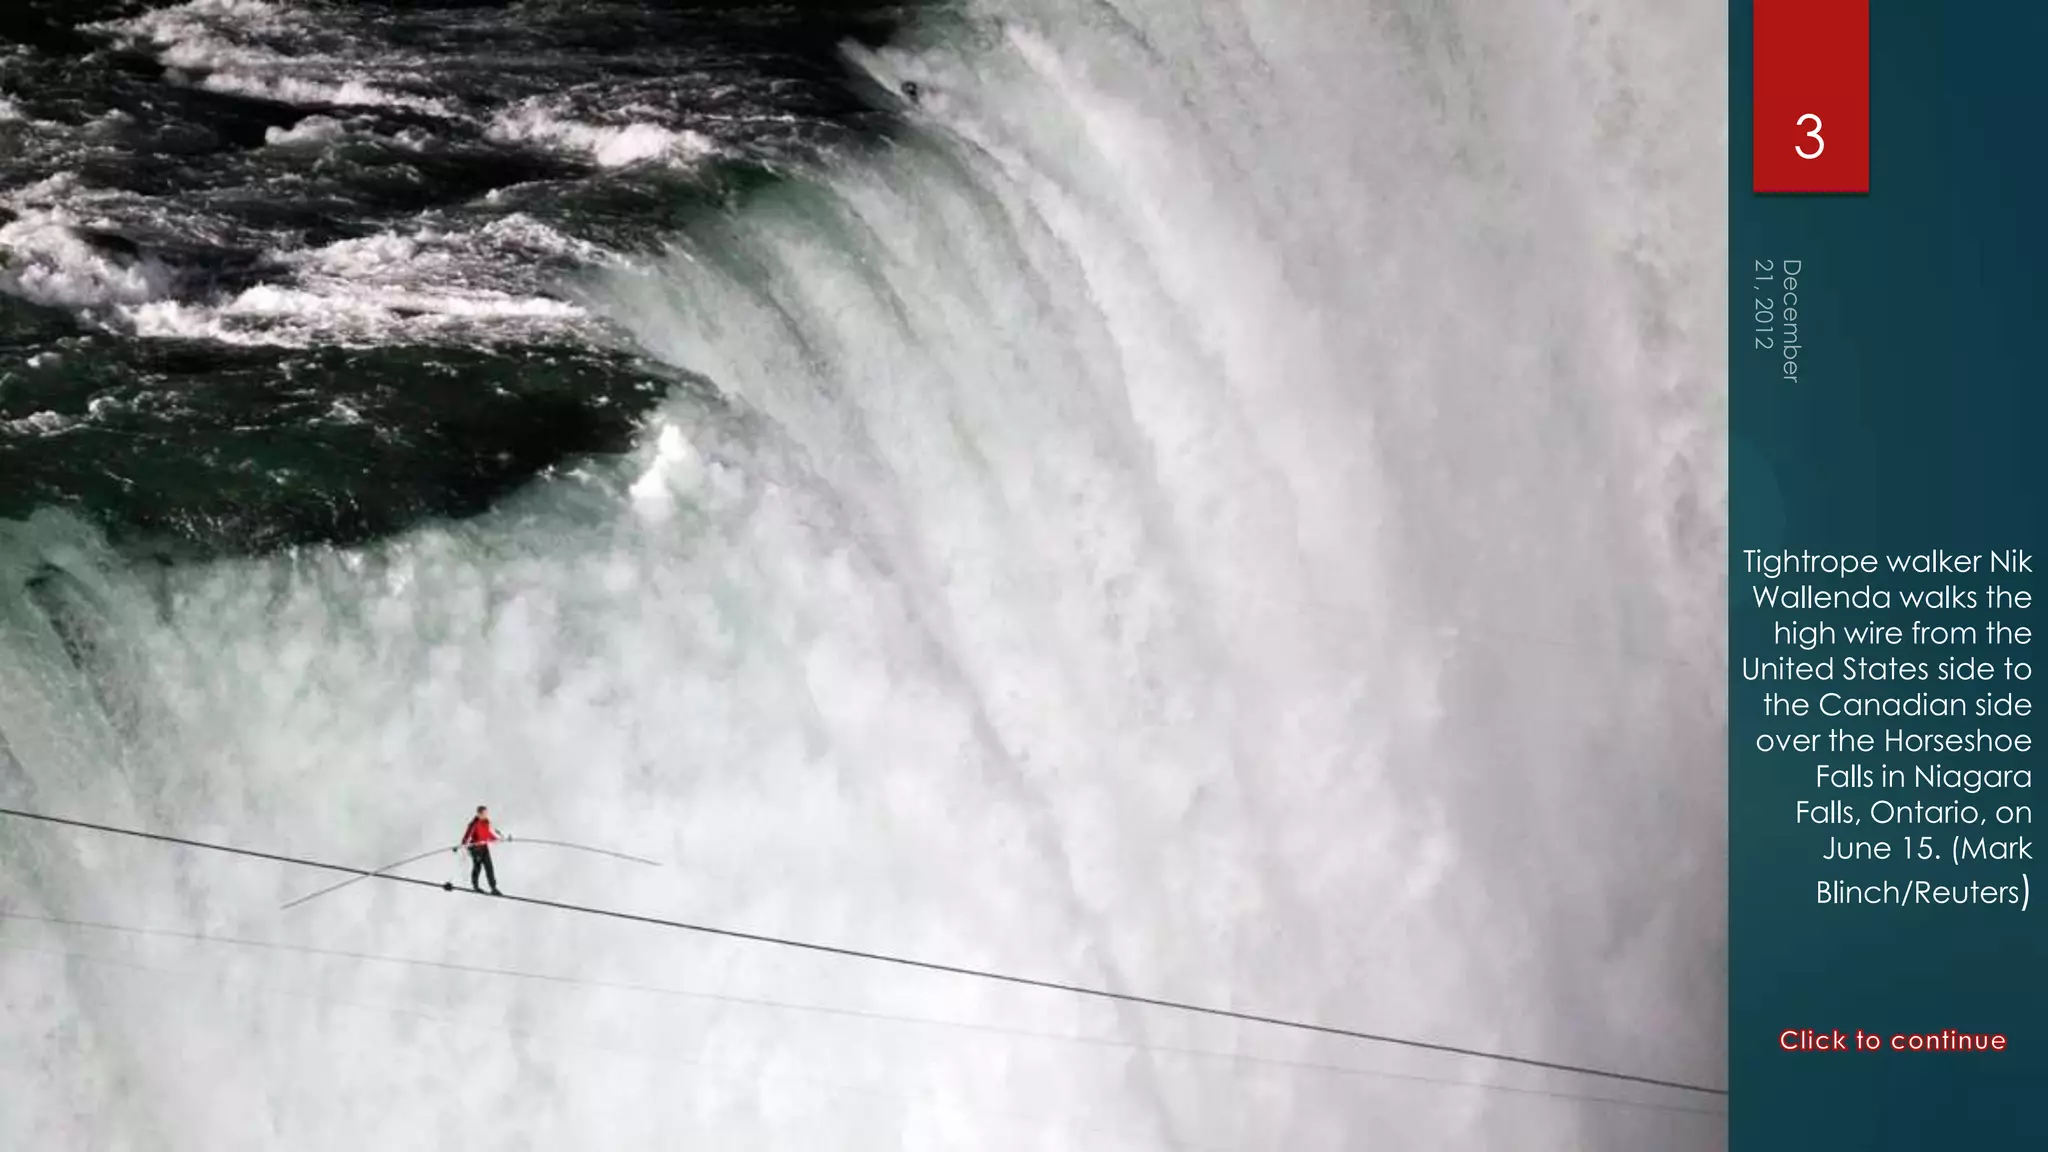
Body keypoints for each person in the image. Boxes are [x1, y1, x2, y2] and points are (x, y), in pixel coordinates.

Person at [457, 805, 504, 894]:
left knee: (489, 867)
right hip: (475, 849)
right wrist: (464, 844)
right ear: (479, 814)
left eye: (486, 813)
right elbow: (467, 836)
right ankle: (475, 886)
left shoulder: (486, 822)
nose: (486, 815)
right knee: (477, 867)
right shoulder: (474, 824)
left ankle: (493, 888)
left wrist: (497, 838)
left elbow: (488, 834)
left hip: (484, 847)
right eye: (484, 813)